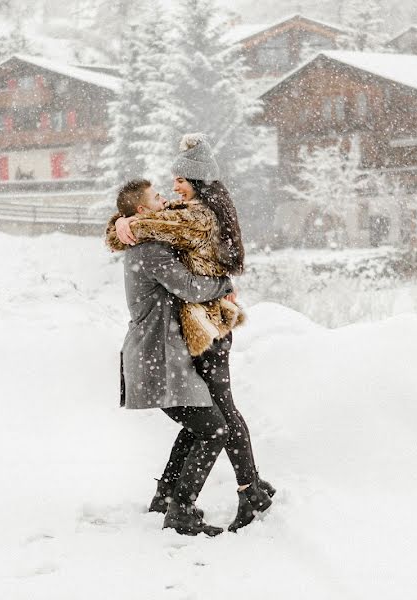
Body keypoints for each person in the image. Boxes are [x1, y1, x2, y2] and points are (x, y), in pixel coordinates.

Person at [107, 134, 275, 532]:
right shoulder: (174, 223)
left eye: (180, 180)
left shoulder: (196, 217)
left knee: (219, 415)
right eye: (166, 187)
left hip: (208, 328)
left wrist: (127, 222)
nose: (171, 190)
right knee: (212, 419)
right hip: (195, 331)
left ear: (198, 181)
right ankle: (184, 498)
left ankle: (242, 492)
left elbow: (157, 231)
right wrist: (122, 222)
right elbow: (149, 228)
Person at [111, 178, 233, 537]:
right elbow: (190, 287)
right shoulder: (149, 250)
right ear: (141, 210)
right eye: (156, 197)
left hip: (159, 357)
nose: (164, 198)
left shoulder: (144, 242)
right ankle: (181, 509)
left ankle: (166, 498)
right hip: (157, 358)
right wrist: (224, 284)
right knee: (214, 430)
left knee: (199, 426)